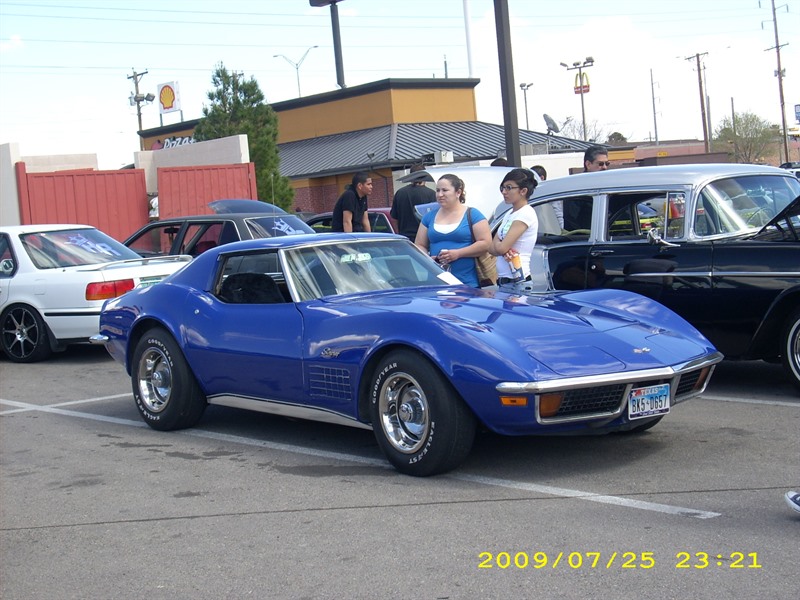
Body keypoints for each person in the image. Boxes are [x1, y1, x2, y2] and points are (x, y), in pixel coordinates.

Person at [415, 174, 492, 288]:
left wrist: (457, 254)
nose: (440, 195)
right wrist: (428, 260)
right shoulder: (429, 217)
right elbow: (420, 244)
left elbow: (485, 243)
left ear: (458, 192)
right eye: (437, 190)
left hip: (467, 283)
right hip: (436, 282)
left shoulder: (473, 214)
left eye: (445, 190)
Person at [491, 168, 539, 285]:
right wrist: (501, 248)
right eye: (503, 187)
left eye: (509, 187)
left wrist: (501, 247)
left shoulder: (526, 213)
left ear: (523, 191)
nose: (504, 192)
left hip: (518, 280)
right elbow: (491, 248)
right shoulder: (509, 213)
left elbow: (500, 247)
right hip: (505, 280)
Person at [390, 164, 435, 242]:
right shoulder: (431, 194)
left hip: (405, 239)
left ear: (411, 176)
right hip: (425, 238)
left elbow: (394, 218)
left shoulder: (400, 193)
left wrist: (399, 234)